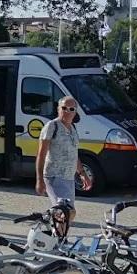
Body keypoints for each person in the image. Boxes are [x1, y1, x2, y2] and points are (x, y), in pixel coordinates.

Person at [35, 96, 88, 228]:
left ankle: (57, 240)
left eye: (71, 109)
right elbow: (41, 155)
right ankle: (55, 238)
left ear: (75, 112)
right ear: (58, 109)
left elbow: (74, 154)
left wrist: (82, 173)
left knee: (66, 214)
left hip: (69, 179)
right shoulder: (52, 126)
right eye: (64, 108)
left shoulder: (73, 128)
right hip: (53, 177)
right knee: (66, 211)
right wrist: (39, 179)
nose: (67, 111)